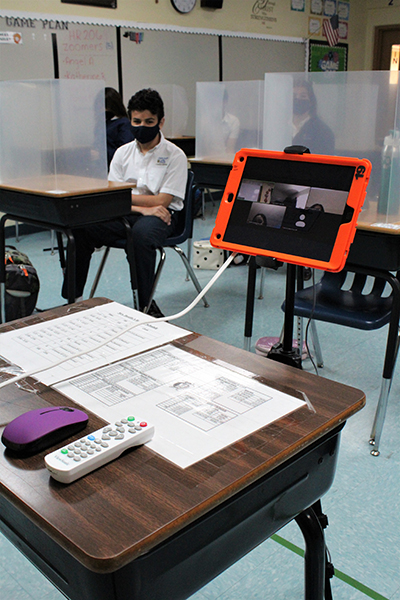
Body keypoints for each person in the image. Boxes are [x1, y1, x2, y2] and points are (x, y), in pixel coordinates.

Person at [61, 88, 188, 317]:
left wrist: (127, 200)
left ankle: (145, 306)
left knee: (140, 236)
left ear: (161, 122)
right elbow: (112, 198)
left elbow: (162, 200)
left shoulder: (175, 155)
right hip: (128, 211)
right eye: (136, 121)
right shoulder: (122, 153)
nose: (141, 126)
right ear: (129, 119)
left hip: (164, 215)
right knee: (80, 227)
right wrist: (138, 207)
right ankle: (73, 299)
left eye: (149, 121)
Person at [292, 79, 335, 156]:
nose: (298, 99)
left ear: (311, 100)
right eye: (294, 96)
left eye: (303, 96)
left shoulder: (323, 131)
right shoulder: (278, 126)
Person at [105, 87, 135, 168]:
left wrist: (101, 154)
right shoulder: (103, 123)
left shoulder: (124, 124)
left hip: (116, 166)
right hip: (101, 166)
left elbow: (124, 151)